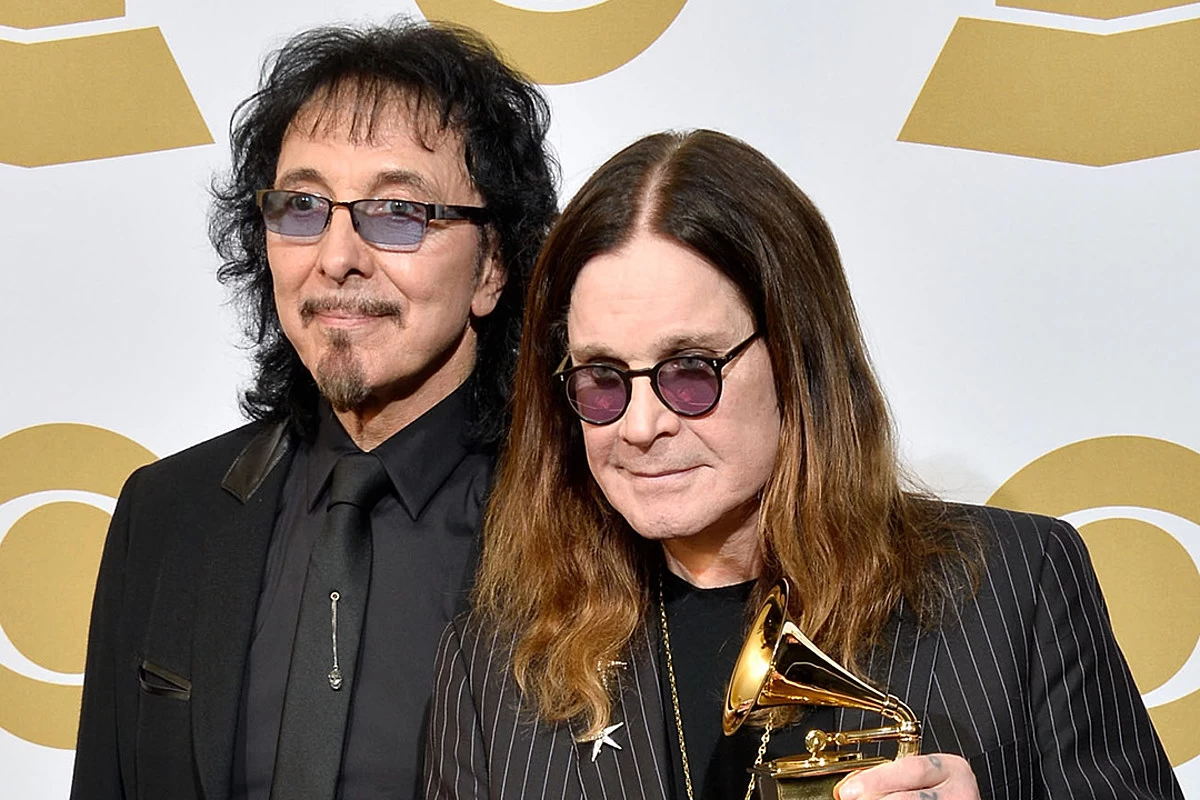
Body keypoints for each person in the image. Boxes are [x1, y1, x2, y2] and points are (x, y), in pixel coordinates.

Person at [423, 130, 1182, 800]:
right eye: (602, 378)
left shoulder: (1017, 588)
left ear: (797, 357)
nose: (642, 425)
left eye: (690, 370)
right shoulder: (495, 666)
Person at [70, 19, 557, 800]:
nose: (336, 258)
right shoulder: (166, 515)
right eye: (302, 206)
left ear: (493, 264)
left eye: (398, 211)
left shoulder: (584, 524)